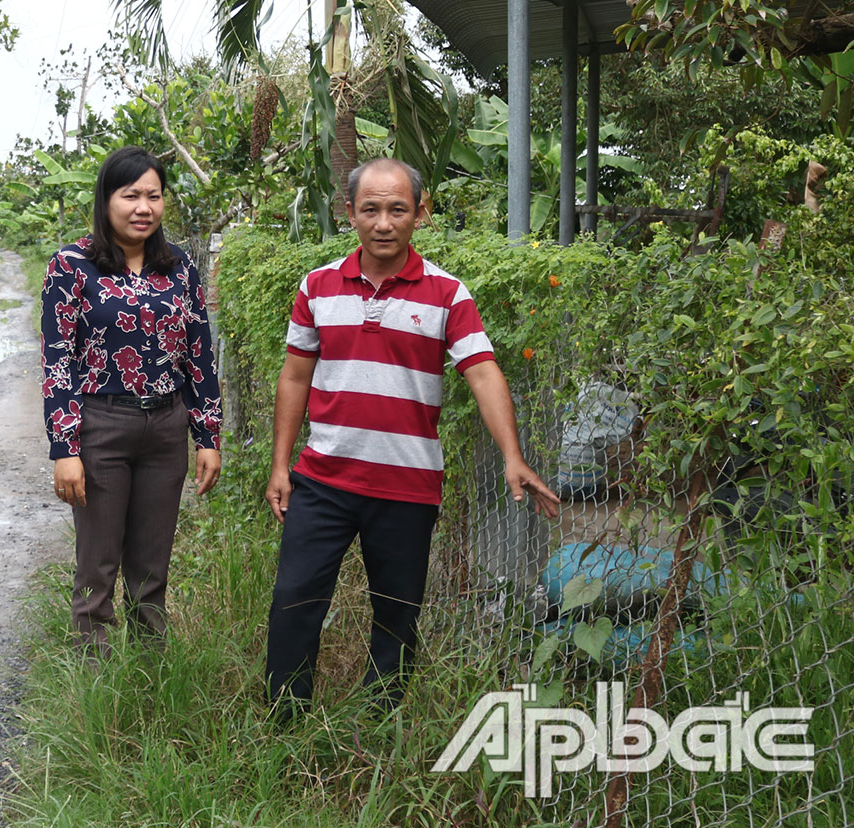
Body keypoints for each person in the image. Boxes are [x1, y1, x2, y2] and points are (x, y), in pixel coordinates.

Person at [263, 158, 559, 715]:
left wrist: (512, 455)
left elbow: (482, 371)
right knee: (294, 600)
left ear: (420, 213)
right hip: (323, 480)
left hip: (407, 487)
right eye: (370, 209)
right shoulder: (318, 287)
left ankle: (381, 728)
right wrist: (281, 466)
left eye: (397, 209)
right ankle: (284, 723)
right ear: (348, 212)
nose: (383, 222)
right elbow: (295, 375)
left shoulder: (448, 294)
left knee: (397, 613)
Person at [40, 145, 223, 654]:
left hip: (167, 428)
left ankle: (149, 671)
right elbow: (57, 360)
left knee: (151, 564)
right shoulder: (71, 266)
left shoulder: (180, 267)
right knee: (97, 563)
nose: (144, 207)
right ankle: (93, 677)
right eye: (131, 195)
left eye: (154, 196)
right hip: (101, 426)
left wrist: (206, 435)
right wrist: (65, 448)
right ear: (106, 200)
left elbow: (199, 353)